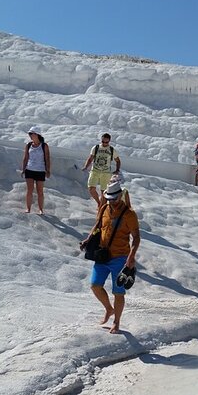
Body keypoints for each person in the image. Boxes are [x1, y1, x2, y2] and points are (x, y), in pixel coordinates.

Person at [79, 182, 140, 334]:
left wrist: (131, 257)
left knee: (118, 292)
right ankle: (108, 309)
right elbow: (98, 225)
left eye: (114, 198)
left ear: (120, 196)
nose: (111, 201)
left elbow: (136, 237)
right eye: (109, 198)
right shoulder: (104, 208)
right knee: (95, 285)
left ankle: (116, 322)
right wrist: (88, 239)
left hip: (120, 257)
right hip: (103, 254)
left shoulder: (129, 214)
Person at [82, 133, 121, 207]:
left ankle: (102, 206)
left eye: (106, 142)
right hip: (95, 170)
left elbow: (118, 160)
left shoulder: (112, 150)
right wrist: (86, 166)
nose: (104, 143)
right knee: (91, 188)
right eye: (103, 141)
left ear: (109, 141)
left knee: (104, 191)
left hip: (106, 173)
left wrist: (117, 169)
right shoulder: (96, 148)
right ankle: (99, 203)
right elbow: (90, 158)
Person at [21, 126, 51, 214]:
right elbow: (25, 157)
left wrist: (48, 170)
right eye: (29, 134)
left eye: (31, 133)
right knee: (29, 190)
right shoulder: (29, 145)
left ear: (37, 134)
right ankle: (28, 208)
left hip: (40, 170)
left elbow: (47, 158)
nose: (30, 135)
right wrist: (23, 168)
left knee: (40, 191)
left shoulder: (44, 146)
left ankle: (41, 209)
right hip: (29, 169)